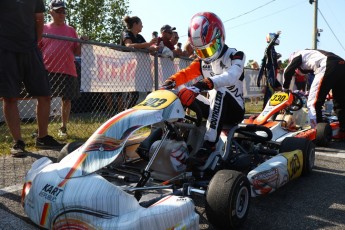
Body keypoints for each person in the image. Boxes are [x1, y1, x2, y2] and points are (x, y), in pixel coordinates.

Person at [162, 12, 246, 167]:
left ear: (219, 38)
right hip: (215, 107)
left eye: (209, 49)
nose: (206, 55)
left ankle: (209, 146)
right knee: (179, 92)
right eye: (201, 51)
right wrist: (171, 82)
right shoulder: (202, 62)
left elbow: (231, 76)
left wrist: (202, 84)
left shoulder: (235, 55)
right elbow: (186, 74)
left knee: (218, 90)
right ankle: (164, 137)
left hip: (235, 110)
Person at [0, 0, 64, 157]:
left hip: (30, 49)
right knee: (10, 97)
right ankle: (18, 141)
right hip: (5, 49)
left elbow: (39, 18)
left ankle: (42, 137)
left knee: (45, 94)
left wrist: (35, 42)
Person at [39, 0, 82, 138]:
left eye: (63, 11)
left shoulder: (71, 30)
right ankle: (41, 129)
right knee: (44, 99)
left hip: (68, 69)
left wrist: (81, 42)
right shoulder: (43, 28)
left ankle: (63, 127)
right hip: (48, 69)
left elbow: (77, 52)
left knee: (67, 99)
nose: (61, 13)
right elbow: (38, 48)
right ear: (51, 12)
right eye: (58, 11)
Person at [283, 49, 345, 138]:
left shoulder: (297, 55)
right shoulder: (312, 55)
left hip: (328, 64)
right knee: (341, 102)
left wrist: (285, 89)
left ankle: (317, 131)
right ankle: (343, 130)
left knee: (313, 103)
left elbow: (288, 71)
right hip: (342, 65)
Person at [120, 15, 158, 109]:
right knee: (134, 94)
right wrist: (148, 44)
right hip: (129, 67)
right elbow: (129, 45)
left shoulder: (140, 36)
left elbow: (148, 48)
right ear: (135, 24)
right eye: (141, 24)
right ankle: (127, 114)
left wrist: (155, 48)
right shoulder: (126, 33)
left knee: (148, 91)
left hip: (141, 69)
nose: (142, 26)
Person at [257, 32, 282, 109]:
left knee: (279, 88)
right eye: (275, 38)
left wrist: (277, 57)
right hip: (270, 73)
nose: (277, 40)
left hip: (273, 73)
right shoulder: (268, 48)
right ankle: (266, 109)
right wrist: (259, 77)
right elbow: (263, 63)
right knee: (269, 91)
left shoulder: (272, 49)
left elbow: (270, 61)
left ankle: (275, 107)